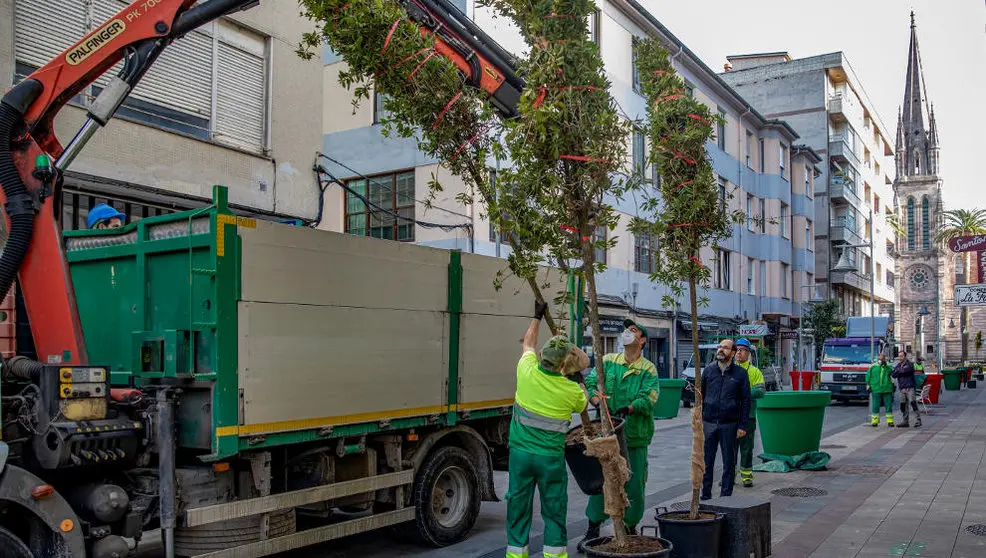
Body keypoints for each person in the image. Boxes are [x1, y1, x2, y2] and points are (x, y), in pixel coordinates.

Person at [505, 300, 588, 558]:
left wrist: (537, 317)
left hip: (520, 456)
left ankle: (516, 553)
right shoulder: (571, 391)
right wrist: (577, 379)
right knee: (554, 509)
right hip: (550, 458)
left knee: (518, 505)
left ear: (543, 356)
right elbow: (584, 402)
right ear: (564, 365)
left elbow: (528, 343)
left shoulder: (526, 370)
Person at [579, 319, 659, 548]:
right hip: (607, 435)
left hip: (634, 437)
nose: (628, 332)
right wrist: (595, 400)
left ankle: (630, 527)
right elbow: (592, 382)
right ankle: (593, 526)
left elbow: (650, 396)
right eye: (627, 329)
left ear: (642, 340)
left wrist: (630, 408)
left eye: (634, 330)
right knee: (602, 482)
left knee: (633, 486)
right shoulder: (608, 361)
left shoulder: (648, 369)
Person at [700, 338, 751, 500]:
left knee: (729, 463)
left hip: (730, 425)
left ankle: (725, 499)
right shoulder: (708, 371)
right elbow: (701, 395)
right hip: (708, 424)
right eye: (720, 347)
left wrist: (742, 425)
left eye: (726, 348)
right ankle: (705, 496)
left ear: (734, 353)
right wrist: (699, 420)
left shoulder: (741, 374)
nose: (721, 350)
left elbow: (746, 401)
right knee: (706, 462)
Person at [733, 338, 765, 488]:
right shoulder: (728, 369)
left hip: (748, 417)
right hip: (730, 416)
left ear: (748, 353)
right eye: (737, 349)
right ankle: (729, 476)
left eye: (742, 350)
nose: (739, 352)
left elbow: (760, 391)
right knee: (730, 449)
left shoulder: (754, 371)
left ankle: (746, 477)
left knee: (746, 449)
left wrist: (744, 393)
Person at [893, 351, 921, 428]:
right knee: (903, 405)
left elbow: (906, 371)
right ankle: (905, 421)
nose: (900, 358)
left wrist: (898, 370)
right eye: (899, 356)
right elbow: (894, 374)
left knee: (912, 402)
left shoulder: (910, 364)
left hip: (910, 387)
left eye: (901, 356)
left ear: (905, 356)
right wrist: (899, 370)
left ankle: (918, 420)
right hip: (902, 388)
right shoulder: (898, 365)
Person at [866, 352, 895, 427]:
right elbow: (868, 376)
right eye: (880, 358)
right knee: (875, 405)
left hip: (887, 388)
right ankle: (875, 421)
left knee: (888, 405)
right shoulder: (873, 366)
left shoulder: (889, 366)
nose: (881, 359)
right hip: (876, 388)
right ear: (878, 358)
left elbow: (893, 376)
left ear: (885, 358)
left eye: (883, 358)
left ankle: (890, 421)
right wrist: (868, 385)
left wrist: (893, 385)